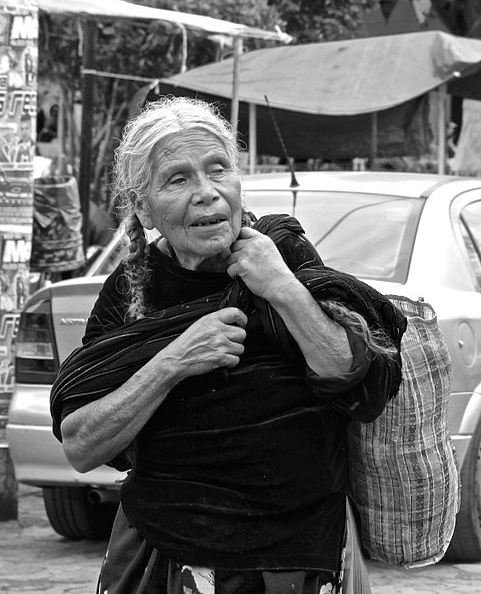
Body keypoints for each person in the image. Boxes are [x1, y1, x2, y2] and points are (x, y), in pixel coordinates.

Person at [50, 97, 407, 594]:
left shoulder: (283, 253)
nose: (207, 193)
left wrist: (281, 286)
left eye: (218, 170)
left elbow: (360, 383)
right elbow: (81, 446)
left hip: (300, 554)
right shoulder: (130, 291)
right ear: (144, 208)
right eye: (178, 179)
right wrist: (174, 361)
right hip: (170, 553)